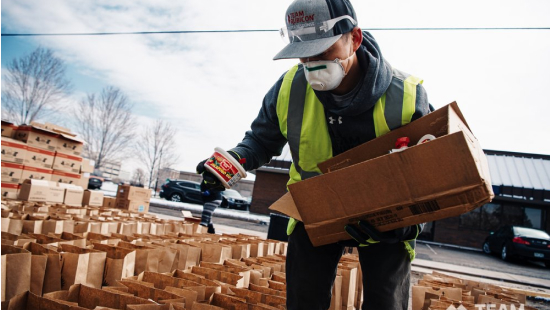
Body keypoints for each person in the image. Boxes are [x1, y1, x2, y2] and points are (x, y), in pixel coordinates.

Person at [197, 0, 431, 309]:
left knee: (386, 302)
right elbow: (260, 141)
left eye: (323, 52)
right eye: (304, 55)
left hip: (385, 219)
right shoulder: (290, 89)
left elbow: (431, 170)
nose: (312, 64)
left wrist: (408, 221)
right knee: (304, 299)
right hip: (315, 209)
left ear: (355, 39)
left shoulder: (405, 95)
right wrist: (232, 163)